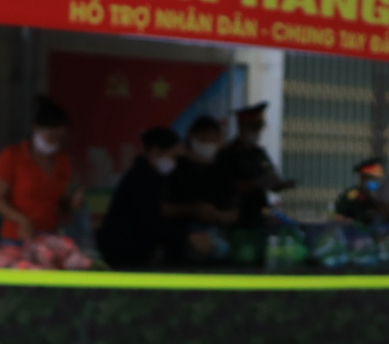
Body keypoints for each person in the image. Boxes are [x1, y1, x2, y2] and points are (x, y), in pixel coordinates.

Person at [0, 96, 81, 243]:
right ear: (35, 129)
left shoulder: (62, 161)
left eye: (59, 138)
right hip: (15, 238)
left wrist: (73, 204)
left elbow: (63, 201)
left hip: (49, 238)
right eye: (51, 137)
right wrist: (22, 220)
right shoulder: (12, 155)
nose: (54, 143)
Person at [96, 126, 187, 268]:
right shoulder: (140, 180)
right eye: (172, 156)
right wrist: (186, 238)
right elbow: (151, 219)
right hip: (125, 254)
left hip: (135, 251)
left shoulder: (155, 177)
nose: (174, 162)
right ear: (156, 152)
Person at [164, 116, 239, 259]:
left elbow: (234, 213)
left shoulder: (224, 171)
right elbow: (162, 208)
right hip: (181, 239)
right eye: (204, 138)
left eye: (213, 138)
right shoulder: (176, 169)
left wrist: (216, 215)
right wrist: (193, 210)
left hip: (218, 239)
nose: (208, 143)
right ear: (192, 138)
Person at [221, 102, 295, 230]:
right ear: (242, 126)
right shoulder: (228, 154)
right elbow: (226, 185)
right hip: (237, 220)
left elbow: (271, 178)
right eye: (254, 127)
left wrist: (280, 184)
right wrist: (256, 183)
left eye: (260, 127)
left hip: (259, 218)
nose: (258, 131)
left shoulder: (259, 153)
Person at [334, 158, 386, 224]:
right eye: (368, 178)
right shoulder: (351, 195)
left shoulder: (387, 194)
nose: (372, 182)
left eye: (376, 179)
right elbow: (340, 216)